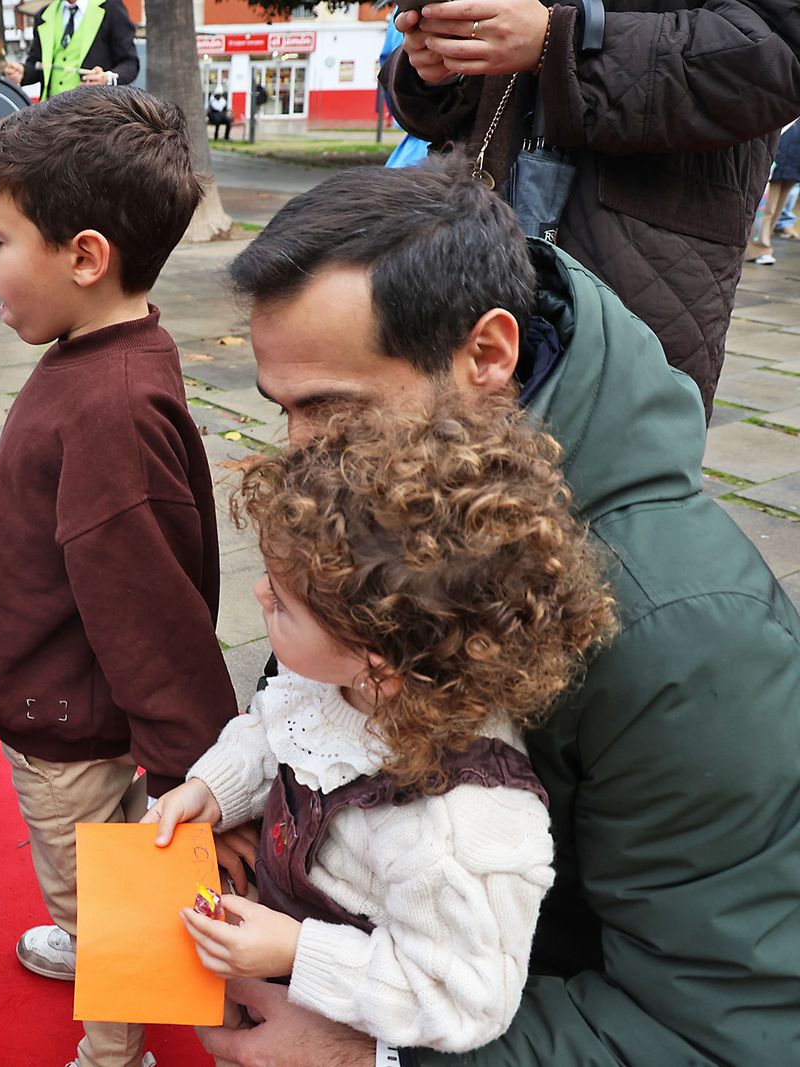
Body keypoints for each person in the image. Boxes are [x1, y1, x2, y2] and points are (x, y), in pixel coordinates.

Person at [201, 159, 800, 1067]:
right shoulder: (375, 506)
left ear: (488, 355)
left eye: (332, 407)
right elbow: (315, 690)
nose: (299, 452)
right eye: (283, 407)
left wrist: (369, 1058)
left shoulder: (684, 636)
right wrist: (279, 807)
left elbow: (718, 1025)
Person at [146, 397, 615, 1053]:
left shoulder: (457, 828)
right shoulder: (338, 680)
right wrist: (217, 789)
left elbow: (463, 999)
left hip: (356, 1025)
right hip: (279, 966)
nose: (258, 596)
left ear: (378, 660)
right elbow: (275, 727)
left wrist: (298, 948)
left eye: (281, 602)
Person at [0, 87, 235, 1067]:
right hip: (64, 698)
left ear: (84, 257)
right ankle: (94, 940)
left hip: (70, 721)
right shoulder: (96, 350)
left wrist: (187, 768)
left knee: (94, 873)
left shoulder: (111, 408)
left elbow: (150, 614)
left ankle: (112, 1044)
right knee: (95, 865)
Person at [381, 0, 800, 421]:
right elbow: (434, 102)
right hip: (472, 242)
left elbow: (778, 54)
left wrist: (560, 42)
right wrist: (442, 55)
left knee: (599, 464)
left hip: (641, 254)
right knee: (443, 459)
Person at [13, 0, 139, 100]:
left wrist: (107, 78)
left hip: (94, 113)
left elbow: (130, 64)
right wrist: (21, 73)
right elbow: (36, 65)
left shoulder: (111, 8)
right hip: (50, 115)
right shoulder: (44, 15)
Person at [751, 121, 800, 264]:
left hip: (794, 153)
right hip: (780, 148)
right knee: (767, 208)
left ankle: (762, 243)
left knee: (777, 207)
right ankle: (758, 246)